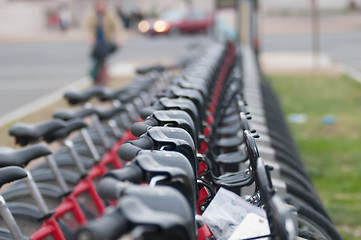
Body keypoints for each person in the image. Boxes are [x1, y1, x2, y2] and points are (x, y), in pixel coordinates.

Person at [84, 0, 125, 86]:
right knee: (97, 60)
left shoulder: (109, 14)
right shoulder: (93, 15)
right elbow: (87, 27)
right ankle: (96, 77)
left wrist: (119, 38)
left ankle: (104, 78)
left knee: (104, 60)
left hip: (106, 40)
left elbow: (117, 26)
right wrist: (90, 37)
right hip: (97, 41)